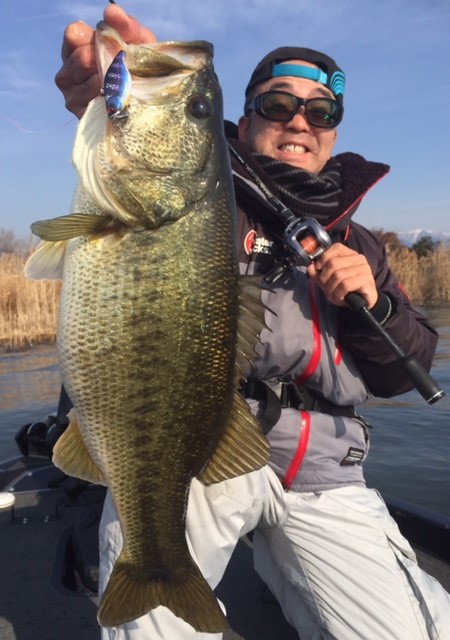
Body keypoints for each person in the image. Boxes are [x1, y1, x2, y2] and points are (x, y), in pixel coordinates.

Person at [55, 4, 450, 639]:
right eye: (278, 104)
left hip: (324, 466)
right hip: (202, 444)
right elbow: (169, 164)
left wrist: (373, 305)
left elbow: (405, 372)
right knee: (151, 626)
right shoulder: (214, 200)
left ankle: (287, 570)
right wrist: (120, 104)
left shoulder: (361, 244)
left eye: (321, 112)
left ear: (333, 132)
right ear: (243, 124)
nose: (299, 121)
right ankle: (165, 570)